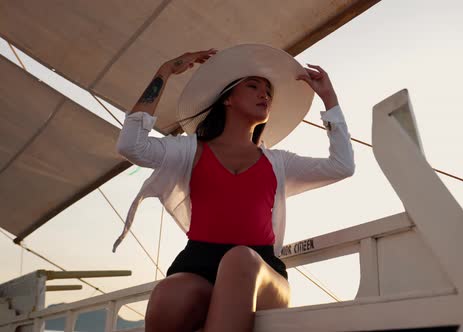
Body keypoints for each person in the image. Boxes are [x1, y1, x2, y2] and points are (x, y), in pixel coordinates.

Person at [114, 44, 355, 332]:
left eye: (268, 91)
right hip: (198, 264)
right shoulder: (189, 151)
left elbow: (343, 165)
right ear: (227, 99)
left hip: (260, 272)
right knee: (168, 296)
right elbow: (131, 145)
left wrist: (329, 99)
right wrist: (165, 72)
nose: (264, 94)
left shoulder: (279, 162)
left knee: (239, 258)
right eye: (253, 86)